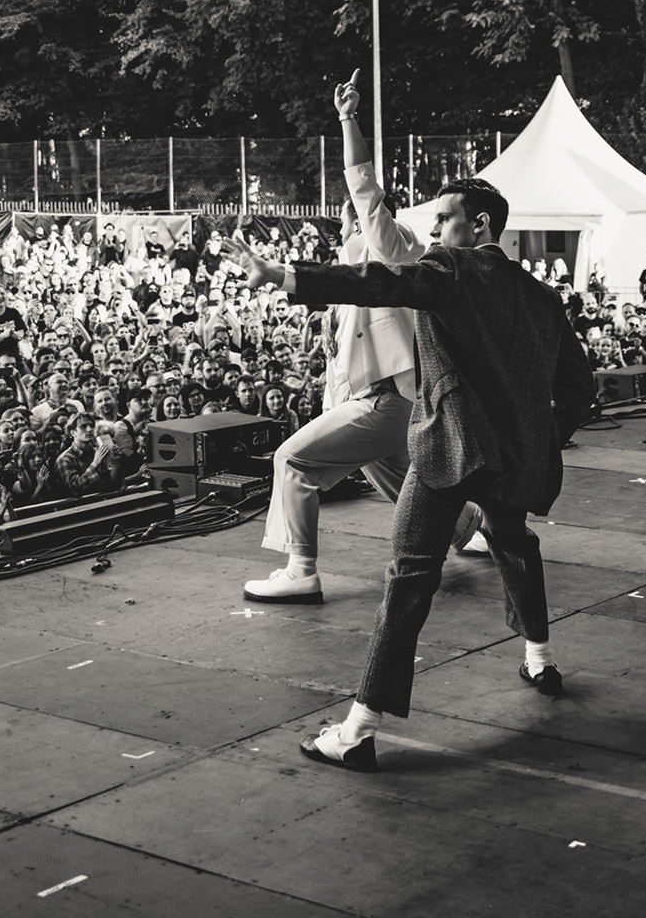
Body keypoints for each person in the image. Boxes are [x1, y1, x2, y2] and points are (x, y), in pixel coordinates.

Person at [228, 177, 596, 773]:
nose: (434, 231)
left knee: (409, 578)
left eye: (444, 219)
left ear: (479, 224)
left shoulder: (448, 269)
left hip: (449, 449)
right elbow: (579, 389)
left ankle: (357, 731)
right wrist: (538, 438)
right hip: (509, 456)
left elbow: (374, 281)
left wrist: (282, 276)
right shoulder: (540, 296)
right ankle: (540, 657)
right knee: (513, 544)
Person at [245, 69, 426, 604]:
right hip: (381, 401)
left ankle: (301, 570)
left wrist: (348, 121)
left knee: (293, 460)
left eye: (349, 220)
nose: (343, 228)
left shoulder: (395, 251)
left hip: (389, 400)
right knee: (402, 482)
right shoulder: (355, 279)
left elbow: (366, 194)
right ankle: (468, 526)